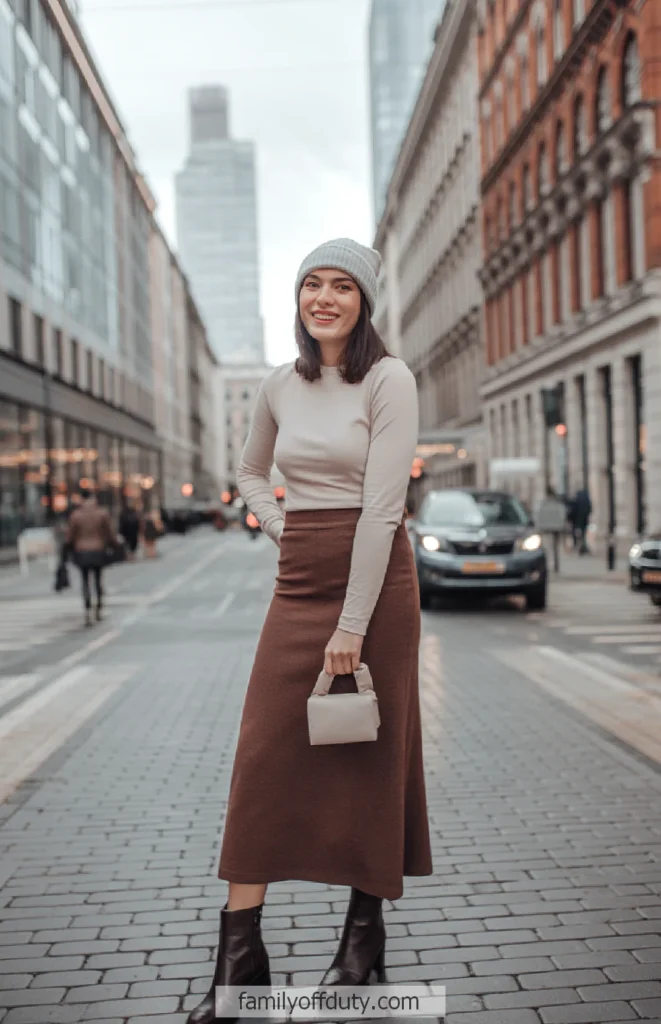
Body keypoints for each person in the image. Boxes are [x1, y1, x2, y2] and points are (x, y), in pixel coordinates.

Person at [187, 239, 433, 1024]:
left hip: (376, 577)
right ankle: (238, 965)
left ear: (363, 299)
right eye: (310, 285)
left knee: (367, 754)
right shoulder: (279, 385)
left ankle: (360, 949)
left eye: (340, 286)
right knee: (262, 758)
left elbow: (384, 507)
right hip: (299, 577)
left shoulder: (388, 378)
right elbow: (250, 474)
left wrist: (353, 626)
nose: (323, 298)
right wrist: (280, 526)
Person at [65, 487, 117, 626]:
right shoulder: (101, 513)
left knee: (85, 581)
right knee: (98, 580)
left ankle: (87, 608)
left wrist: (68, 548)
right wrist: (114, 545)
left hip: (81, 551)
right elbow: (109, 533)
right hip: (98, 549)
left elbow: (70, 536)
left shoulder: (76, 515)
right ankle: (98, 608)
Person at [573, 487, 592, 554]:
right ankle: (582, 547)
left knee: (579, 534)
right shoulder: (586, 501)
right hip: (583, 520)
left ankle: (580, 547)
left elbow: (574, 510)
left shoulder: (577, 500)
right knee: (583, 534)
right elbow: (590, 509)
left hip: (578, 521)